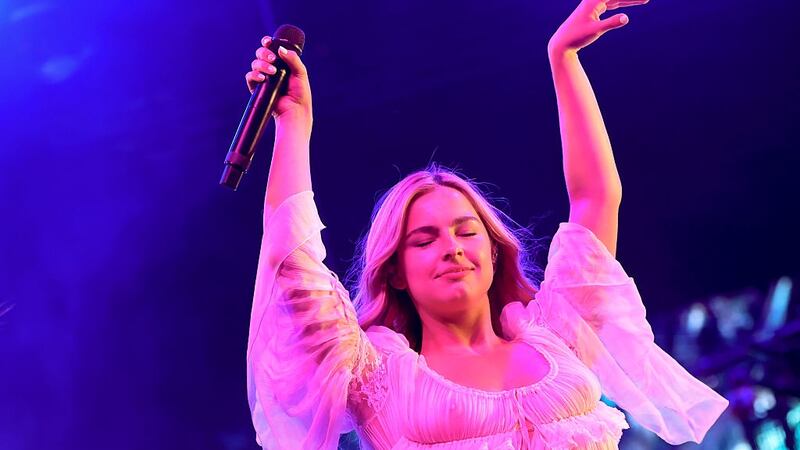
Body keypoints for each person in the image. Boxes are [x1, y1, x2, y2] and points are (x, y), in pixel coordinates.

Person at [243, 0, 729, 448]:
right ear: (395, 271)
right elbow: (292, 264)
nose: (452, 248)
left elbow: (596, 197)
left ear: (494, 251)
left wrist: (563, 58)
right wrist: (293, 124)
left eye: (466, 231)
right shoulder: (374, 373)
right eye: (424, 240)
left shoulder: (556, 331)